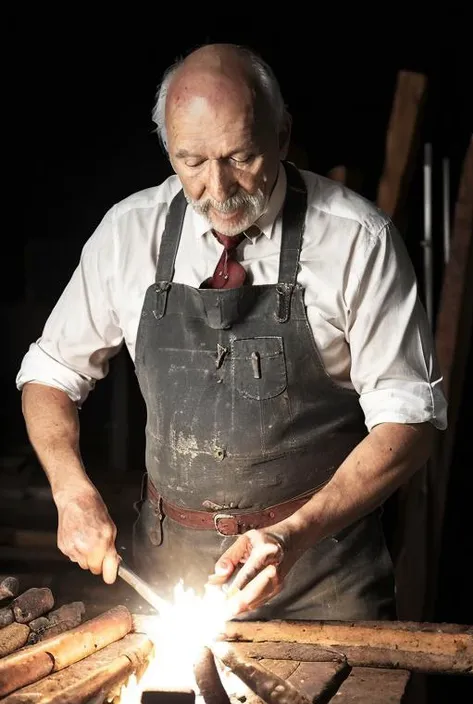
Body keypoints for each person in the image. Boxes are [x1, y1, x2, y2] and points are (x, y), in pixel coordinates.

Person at [16, 43, 447, 622]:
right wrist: (71, 491)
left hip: (322, 576)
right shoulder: (129, 233)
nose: (218, 190)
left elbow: (409, 421)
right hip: (168, 577)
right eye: (191, 162)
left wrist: (292, 535)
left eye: (240, 156)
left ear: (283, 134)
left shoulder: (356, 240)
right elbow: (49, 376)